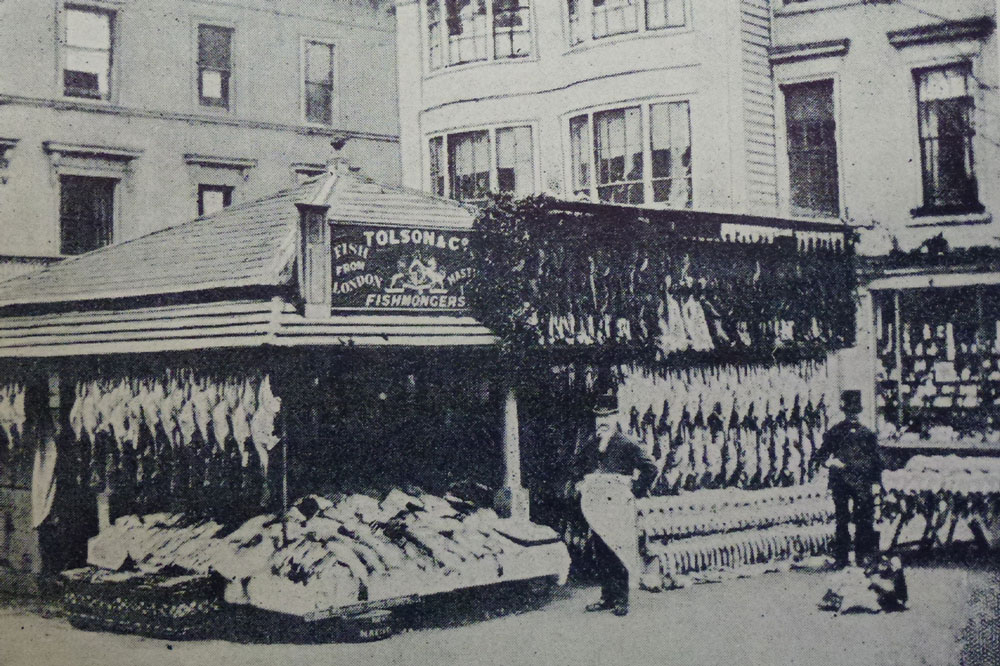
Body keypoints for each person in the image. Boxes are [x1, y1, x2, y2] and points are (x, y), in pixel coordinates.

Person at [570, 391, 657, 616]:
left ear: (616, 418)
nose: (602, 422)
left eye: (607, 417)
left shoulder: (627, 443)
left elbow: (650, 468)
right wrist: (580, 481)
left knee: (619, 549)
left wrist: (634, 490)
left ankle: (621, 599)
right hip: (597, 506)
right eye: (599, 418)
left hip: (618, 505)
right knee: (602, 551)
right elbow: (577, 466)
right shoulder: (591, 444)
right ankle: (606, 597)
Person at [814, 389, 883, 569]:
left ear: (859, 412)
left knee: (863, 520)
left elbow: (877, 460)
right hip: (841, 482)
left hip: (862, 482)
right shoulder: (835, 432)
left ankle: (862, 557)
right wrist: (831, 462)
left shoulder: (867, 434)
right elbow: (821, 455)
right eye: (849, 412)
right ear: (845, 412)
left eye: (855, 412)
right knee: (841, 520)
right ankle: (841, 558)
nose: (852, 415)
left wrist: (877, 483)